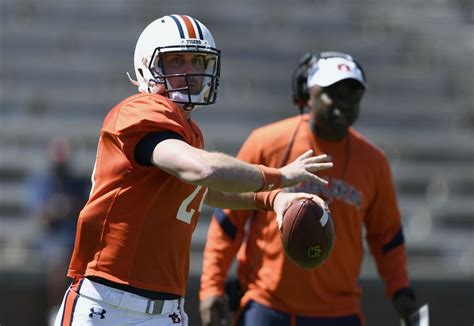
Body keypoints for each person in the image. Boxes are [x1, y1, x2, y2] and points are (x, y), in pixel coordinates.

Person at [53, 15, 333, 326]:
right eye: (177, 60)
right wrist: (278, 176)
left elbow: (201, 189)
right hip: (107, 303)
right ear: (149, 65)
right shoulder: (140, 111)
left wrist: (273, 199)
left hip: (168, 309)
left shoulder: (188, 131)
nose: (191, 70)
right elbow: (200, 170)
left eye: (198, 60)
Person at [199, 52, 421, 326]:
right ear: (308, 94)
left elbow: (387, 237)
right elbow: (228, 221)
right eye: (333, 93)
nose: (344, 103)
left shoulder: (374, 162)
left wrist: (400, 290)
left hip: (339, 311)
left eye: (353, 95)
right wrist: (211, 286)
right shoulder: (267, 142)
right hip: (266, 304)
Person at [26, 137, 90, 324]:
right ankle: (58, 311)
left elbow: (88, 208)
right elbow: (40, 213)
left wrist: (63, 207)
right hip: (54, 242)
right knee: (59, 260)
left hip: (78, 239)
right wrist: (61, 208)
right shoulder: (42, 181)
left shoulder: (78, 182)